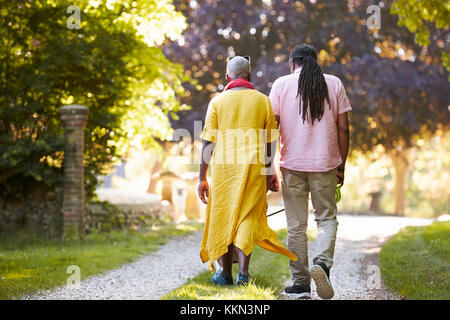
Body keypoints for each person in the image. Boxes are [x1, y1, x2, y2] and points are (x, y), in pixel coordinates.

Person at [198, 55, 297, 286]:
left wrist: (202, 177)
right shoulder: (262, 101)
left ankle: (224, 275)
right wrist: (268, 170)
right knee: (248, 216)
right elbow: (271, 140)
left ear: (227, 77)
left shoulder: (217, 102)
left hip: (224, 170)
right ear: (249, 76)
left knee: (223, 214)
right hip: (254, 168)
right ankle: (243, 273)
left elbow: (207, 142)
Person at [269, 44, 351, 299]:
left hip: (292, 165)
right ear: (315, 62)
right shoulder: (334, 83)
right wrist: (341, 164)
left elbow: (271, 129)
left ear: (293, 63)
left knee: (295, 225)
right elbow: (344, 129)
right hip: (325, 164)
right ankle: (323, 263)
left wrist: (267, 167)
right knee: (326, 218)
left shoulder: (281, 84)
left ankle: (301, 283)